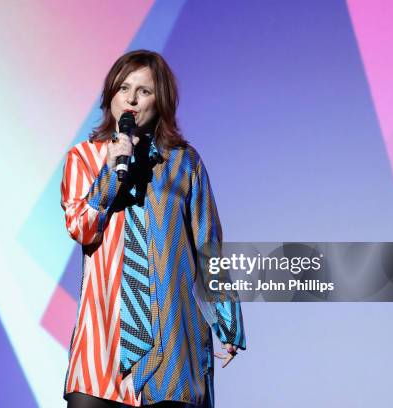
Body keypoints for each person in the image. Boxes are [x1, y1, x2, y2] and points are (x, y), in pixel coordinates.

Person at [60, 50, 245, 408]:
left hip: (172, 344)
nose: (130, 99)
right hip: (102, 345)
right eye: (123, 88)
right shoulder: (82, 159)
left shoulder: (184, 162)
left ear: (161, 101)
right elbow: (82, 228)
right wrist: (109, 174)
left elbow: (209, 246)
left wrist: (228, 319)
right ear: (110, 95)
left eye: (143, 91)